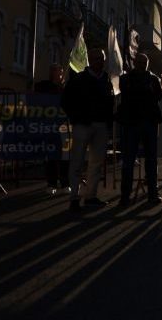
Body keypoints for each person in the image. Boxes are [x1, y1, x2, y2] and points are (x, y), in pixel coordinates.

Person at [61, 48, 115, 210]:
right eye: (96, 58)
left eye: (101, 59)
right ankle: (74, 198)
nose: (99, 61)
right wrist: (76, 118)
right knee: (77, 161)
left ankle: (90, 196)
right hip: (82, 125)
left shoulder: (106, 80)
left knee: (96, 163)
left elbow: (109, 102)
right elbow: (66, 101)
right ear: (90, 60)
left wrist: (108, 121)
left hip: (100, 126)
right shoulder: (78, 79)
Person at [117, 53, 162, 207]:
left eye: (145, 62)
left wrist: (144, 91)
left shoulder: (153, 79)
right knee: (129, 161)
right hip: (132, 123)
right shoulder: (125, 79)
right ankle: (125, 197)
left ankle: (153, 194)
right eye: (140, 62)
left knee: (151, 160)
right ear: (135, 63)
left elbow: (158, 96)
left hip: (149, 122)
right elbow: (129, 95)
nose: (142, 65)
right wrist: (144, 91)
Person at [34, 63, 68, 195]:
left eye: (60, 71)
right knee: (52, 156)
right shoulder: (45, 86)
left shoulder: (64, 88)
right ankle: (52, 182)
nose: (60, 74)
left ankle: (65, 182)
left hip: (63, 125)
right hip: (50, 126)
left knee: (65, 156)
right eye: (57, 71)